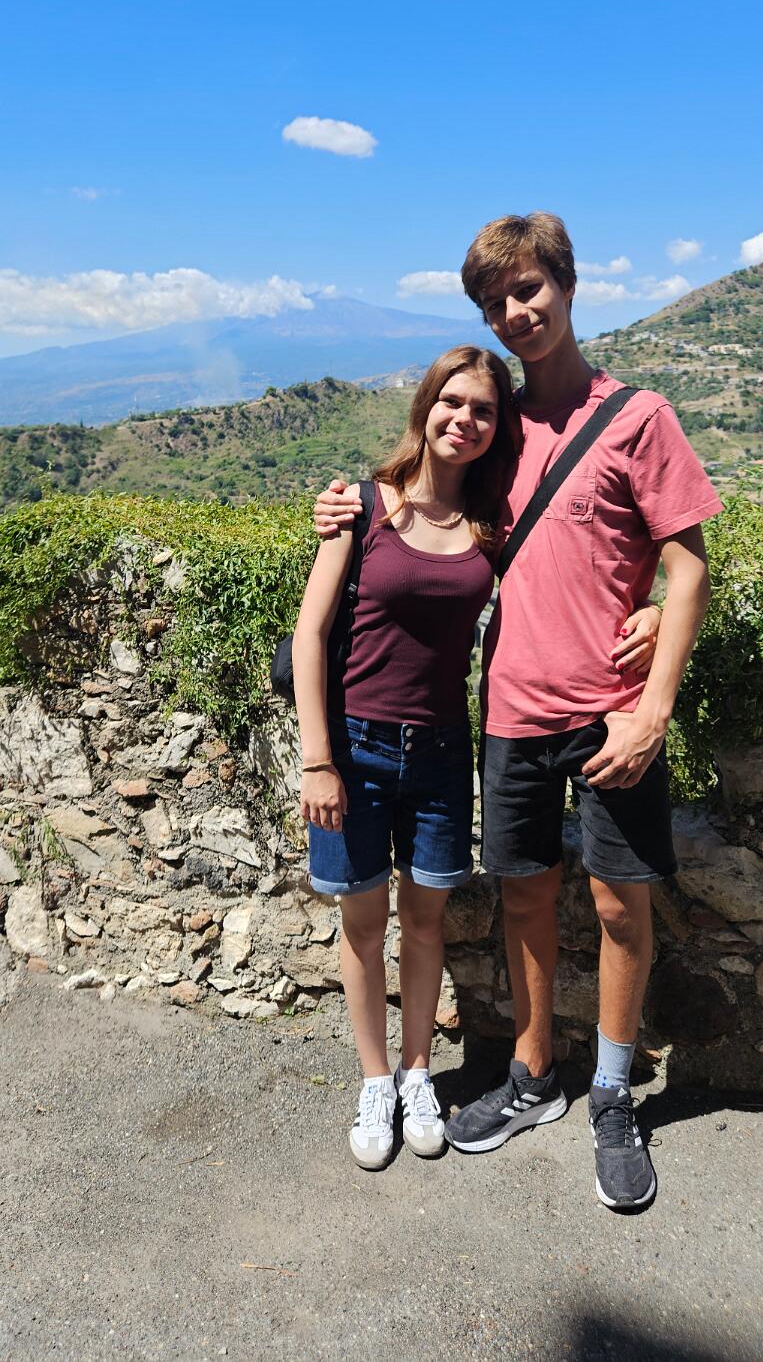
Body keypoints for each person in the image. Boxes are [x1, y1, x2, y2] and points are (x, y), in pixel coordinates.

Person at [314, 211, 722, 1209]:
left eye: (527, 290)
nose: (515, 312)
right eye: (495, 303)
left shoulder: (638, 418)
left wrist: (653, 700)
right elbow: (425, 494)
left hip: (611, 714)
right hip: (507, 715)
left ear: (566, 286)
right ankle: (534, 1074)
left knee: (620, 907)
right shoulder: (496, 432)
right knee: (525, 900)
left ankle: (613, 1094)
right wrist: (342, 504)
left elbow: (688, 563)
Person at [294, 340, 659, 1173]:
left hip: (438, 752)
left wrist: (655, 605)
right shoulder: (361, 505)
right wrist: (317, 760)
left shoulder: (490, 524)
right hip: (353, 748)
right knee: (362, 924)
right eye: (451, 402)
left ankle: (418, 1074)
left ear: (499, 427)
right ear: (424, 407)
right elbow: (310, 634)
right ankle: (375, 1081)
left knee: (425, 921)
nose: (464, 419)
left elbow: (584, 566)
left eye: (483, 410)